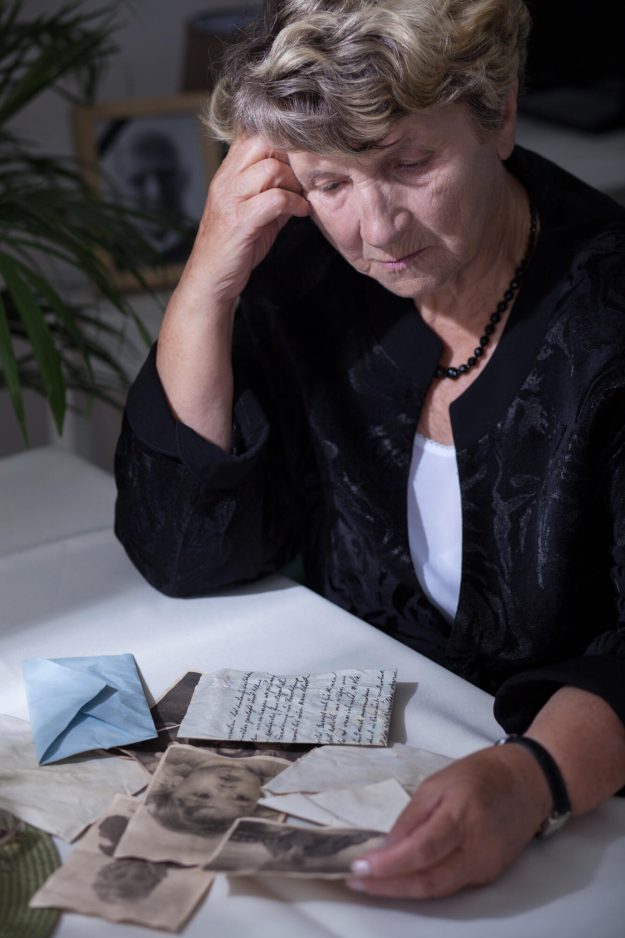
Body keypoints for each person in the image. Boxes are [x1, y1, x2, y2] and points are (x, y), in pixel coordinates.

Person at [114, 0, 625, 899]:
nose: (376, 230)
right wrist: (208, 280)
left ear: (498, 115)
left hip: (582, 824)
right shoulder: (308, 269)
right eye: (329, 181)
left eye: (410, 164)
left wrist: (531, 780)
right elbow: (188, 552)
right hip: (368, 777)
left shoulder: (610, 318)